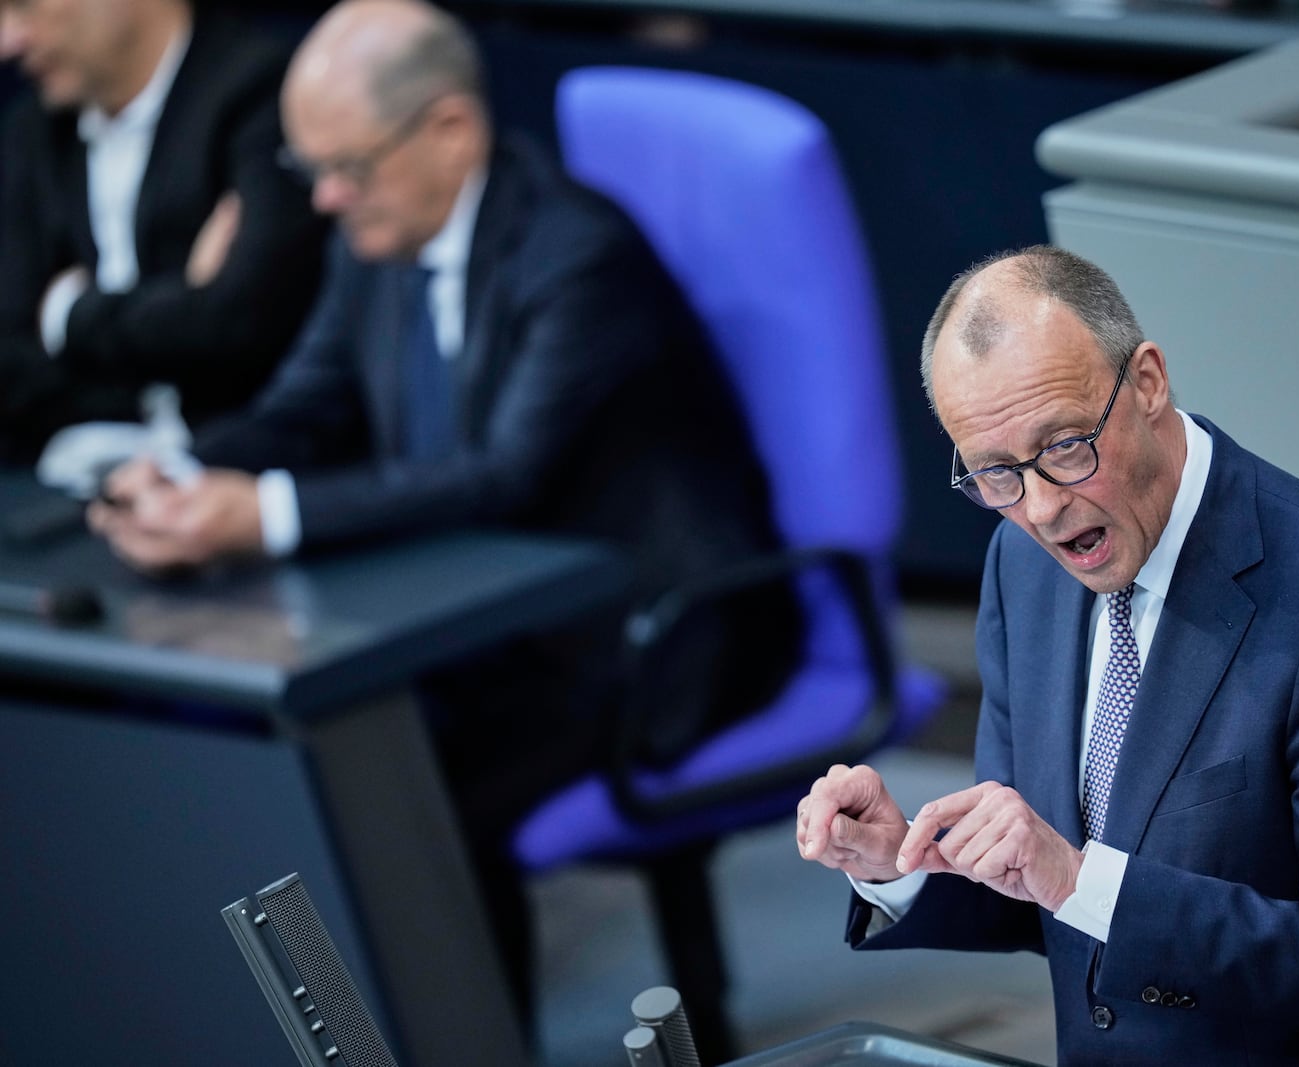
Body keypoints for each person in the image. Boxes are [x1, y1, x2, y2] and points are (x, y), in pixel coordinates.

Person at [88, 0, 799, 1029]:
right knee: (329, 765)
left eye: (349, 166)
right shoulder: (372, 232)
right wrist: (179, 471)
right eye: (310, 171)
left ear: (450, 130)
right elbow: (303, 406)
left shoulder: (578, 253)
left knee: (414, 812)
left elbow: (499, 473)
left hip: (657, 634)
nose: (325, 198)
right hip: (496, 629)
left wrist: (267, 515)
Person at [796, 245, 1299, 1065]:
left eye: (1065, 446)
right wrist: (904, 860)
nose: (1044, 509)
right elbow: (1038, 881)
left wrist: (1076, 876)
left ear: (1148, 383)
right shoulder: (1018, 566)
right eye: (996, 474)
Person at [0, 0, 325, 464]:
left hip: (237, 471)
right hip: (59, 470)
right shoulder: (32, 132)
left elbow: (240, 324)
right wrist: (176, 321)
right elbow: (8, 362)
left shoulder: (263, 95)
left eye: (26, 6)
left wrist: (64, 315)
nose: (8, 42)